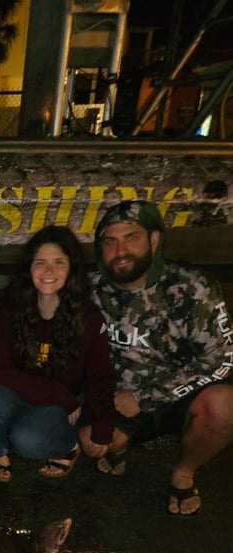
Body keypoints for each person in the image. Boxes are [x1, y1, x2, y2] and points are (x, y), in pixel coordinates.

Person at [91, 199, 233, 516]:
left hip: (178, 396)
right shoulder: (92, 290)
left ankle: (184, 473)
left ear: (154, 240)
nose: (120, 251)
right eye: (110, 242)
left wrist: (145, 397)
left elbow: (221, 360)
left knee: (225, 407)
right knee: (92, 441)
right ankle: (121, 444)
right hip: (119, 398)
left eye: (132, 238)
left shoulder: (193, 287)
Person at [0, 225, 116, 483]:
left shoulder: (89, 317)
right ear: (29, 269)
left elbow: (101, 375)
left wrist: (103, 427)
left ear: (71, 268)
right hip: (39, 394)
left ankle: (67, 446)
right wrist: (58, 394)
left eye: (59, 262)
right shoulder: (11, 309)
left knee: (26, 440)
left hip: (62, 406)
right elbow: (0, 371)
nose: (49, 271)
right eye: (40, 262)